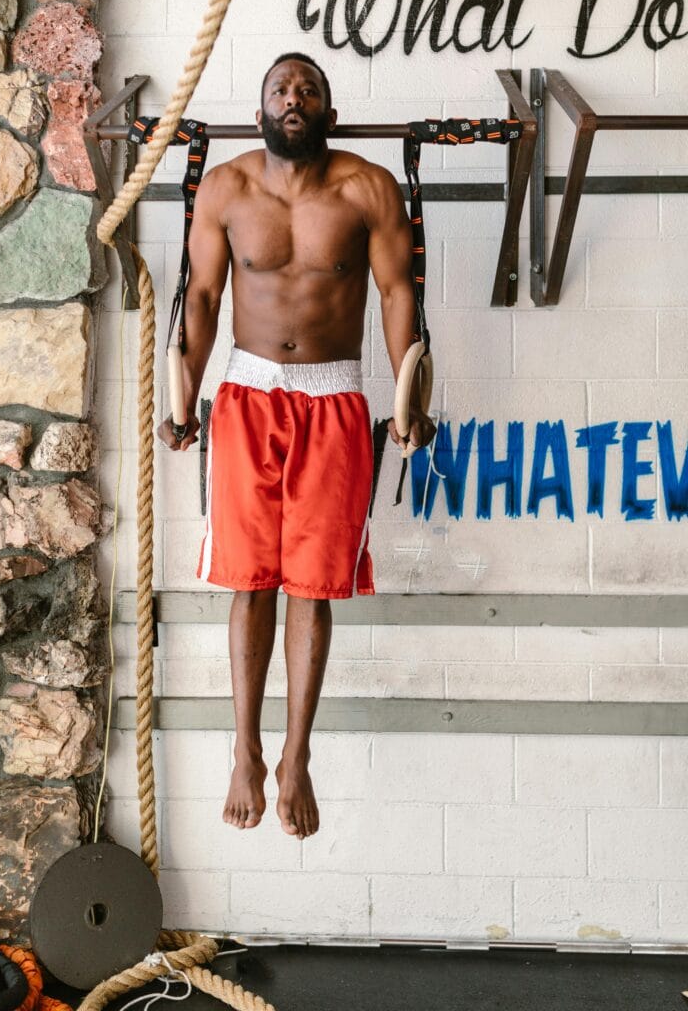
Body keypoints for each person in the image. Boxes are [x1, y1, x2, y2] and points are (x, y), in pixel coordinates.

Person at [158, 52, 435, 839]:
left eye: (307, 89)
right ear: (259, 114)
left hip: (334, 397)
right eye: (280, 88)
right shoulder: (225, 188)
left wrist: (413, 400)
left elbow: (398, 293)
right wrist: (183, 397)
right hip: (245, 395)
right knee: (251, 583)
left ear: (328, 114)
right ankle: (245, 750)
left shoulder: (367, 189)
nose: (293, 97)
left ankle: (297, 754)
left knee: (312, 588)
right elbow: (202, 295)